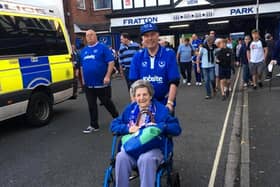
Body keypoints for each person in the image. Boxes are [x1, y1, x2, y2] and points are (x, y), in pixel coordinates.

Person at [111, 80, 181, 187]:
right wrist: (128, 129)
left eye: (145, 94)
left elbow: (176, 128)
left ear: (150, 96)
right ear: (134, 97)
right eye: (138, 95)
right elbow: (114, 125)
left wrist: (159, 126)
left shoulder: (161, 110)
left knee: (146, 159)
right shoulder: (130, 109)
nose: (141, 98)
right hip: (133, 148)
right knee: (121, 157)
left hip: (154, 148)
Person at [129, 23, 180, 113]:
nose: (150, 38)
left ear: (158, 35)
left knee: (167, 127)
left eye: (152, 34)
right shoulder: (137, 56)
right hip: (144, 105)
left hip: (164, 104)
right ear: (142, 39)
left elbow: (174, 82)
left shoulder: (169, 54)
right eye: (146, 36)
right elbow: (133, 84)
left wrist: (170, 103)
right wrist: (134, 105)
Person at [80, 29, 119, 133]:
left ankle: (117, 118)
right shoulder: (83, 51)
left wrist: (107, 76)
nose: (89, 37)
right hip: (89, 84)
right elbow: (82, 67)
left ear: (96, 36)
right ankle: (94, 125)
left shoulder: (103, 48)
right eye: (87, 35)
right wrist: (83, 79)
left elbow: (111, 62)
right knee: (91, 105)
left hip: (101, 83)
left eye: (91, 35)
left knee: (107, 102)